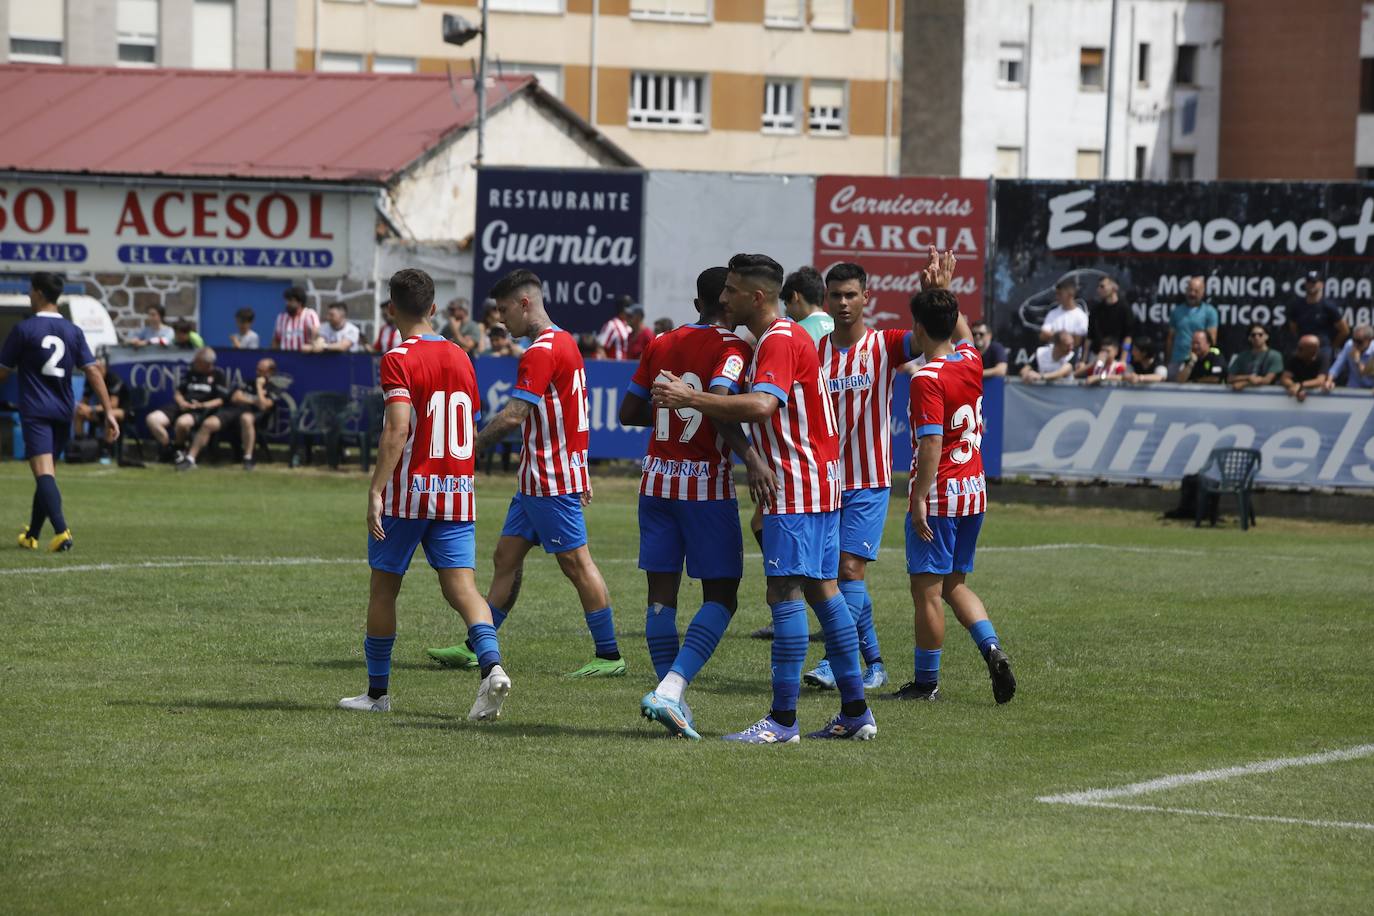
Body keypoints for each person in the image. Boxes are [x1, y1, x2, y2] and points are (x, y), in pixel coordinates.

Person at [653, 253, 875, 743]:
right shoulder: (790, 335)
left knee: (785, 593)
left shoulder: (777, 339)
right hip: (820, 479)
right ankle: (857, 712)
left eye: (731, 290)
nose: (724, 298)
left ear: (756, 296)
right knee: (823, 590)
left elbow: (762, 404)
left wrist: (690, 399)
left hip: (794, 483)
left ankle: (782, 721)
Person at [426, 270, 624, 679]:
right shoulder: (563, 340)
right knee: (506, 557)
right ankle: (476, 645)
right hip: (538, 477)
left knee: (576, 563)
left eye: (503, 310)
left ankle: (609, 655)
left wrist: (465, 449)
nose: (499, 320)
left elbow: (515, 415)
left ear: (524, 304)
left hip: (551, 479)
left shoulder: (541, 350)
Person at [340, 268, 511, 719]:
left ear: (392, 309)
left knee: (384, 590)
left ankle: (378, 694)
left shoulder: (398, 357)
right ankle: (491, 666)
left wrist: (376, 489)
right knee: (464, 588)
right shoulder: (462, 356)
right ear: (434, 309)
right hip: (456, 489)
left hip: (409, 491)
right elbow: (467, 425)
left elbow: (397, 430)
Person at [624, 267, 767, 739]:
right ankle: (671, 688)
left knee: (660, 597)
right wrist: (750, 457)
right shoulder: (734, 348)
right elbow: (722, 401)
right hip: (704, 484)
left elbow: (628, 412)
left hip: (656, 481)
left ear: (695, 303)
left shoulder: (661, 342)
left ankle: (672, 698)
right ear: (728, 302)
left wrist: (672, 402)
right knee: (723, 596)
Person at [890, 251, 1015, 706]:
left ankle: (926, 684)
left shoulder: (927, 379)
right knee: (954, 584)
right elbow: (958, 329)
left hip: (940, 495)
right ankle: (992, 648)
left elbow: (929, 444)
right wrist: (941, 292)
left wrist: (918, 496)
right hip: (973, 491)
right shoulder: (971, 361)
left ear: (918, 329)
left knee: (926, 591)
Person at [799, 260, 919, 694]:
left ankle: (835, 659)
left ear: (867, 298)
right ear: (826, 302)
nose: (844, 303)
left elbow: (927, 338)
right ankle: (875, 662)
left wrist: (931, 294)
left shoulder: (885, 345)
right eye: (837, 296)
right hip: (826, 480)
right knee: (832, 577)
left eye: (852, 295)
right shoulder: (814, 353)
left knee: (849, 570)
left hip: (869, 479)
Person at [1, 272, 119, 553]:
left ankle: (61, 531)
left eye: (30, 291)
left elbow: (2, 372)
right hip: (64, 410)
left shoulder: (24, 330)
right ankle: (32, 534)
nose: (29, 296)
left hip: (37, 411)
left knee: (43, 474)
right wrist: (109, 412)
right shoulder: (73, 331)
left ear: (40, 293)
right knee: (47, 474)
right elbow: (92, 370)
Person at [146, 347, 228, 464]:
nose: (194, 362)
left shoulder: (218, 375)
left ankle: (179, 448)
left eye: (197, 361)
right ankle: (170, 448)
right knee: (152, 419)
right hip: (181, 405)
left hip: (200, 410)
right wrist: (181, 402)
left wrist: (201, 405)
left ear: (206, 363)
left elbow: (220, 400)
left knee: (182, 423)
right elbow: (178, 392)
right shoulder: (191, 373)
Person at [219, 357, 279, 470]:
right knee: (231, 417)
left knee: (246, 418)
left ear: (270, 372)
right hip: (239, 412)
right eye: (257, 369)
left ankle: (248, 457)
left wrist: (259, 387)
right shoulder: (248, 382)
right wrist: (254, 400)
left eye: (261, 371)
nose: (258, 373)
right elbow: (235, 397)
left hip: (260, 417)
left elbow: (263, 406)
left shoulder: (273, 388)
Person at [1287, 271, 1348, 363]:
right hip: (1303, 348)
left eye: (1314, 282)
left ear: (1321, 285)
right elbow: (1293, 328)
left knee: (1322, 374)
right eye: (1309, 282)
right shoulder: (1296, 306)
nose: (1311, 285)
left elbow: (1344, 330)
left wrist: (1332, 347)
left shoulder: (1328, 306)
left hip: (1322, 349)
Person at [73, 355, 128, 452]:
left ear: (104, 368)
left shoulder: (114, 379)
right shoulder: (90, 379)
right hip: (100, 411)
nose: (96, 371)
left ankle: (106, 450)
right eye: (94, 368)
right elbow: (84, 401)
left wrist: (91, 409)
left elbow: (113, 405)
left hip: (121, 411)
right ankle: (80, 447)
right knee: (79, 413)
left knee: (111, 415)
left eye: (99, 368)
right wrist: (81, 407)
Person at [1165, 276, 1218, 376]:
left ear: (1203, 292)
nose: (1192, 294)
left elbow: (1212, 340)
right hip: (1177, 361)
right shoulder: (1177, 311)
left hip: (1197, 362)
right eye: (1190, 290)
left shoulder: (1210, 312)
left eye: (1196, 291)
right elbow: (1170, 339)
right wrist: (1168, 362)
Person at [781, 265, 833, 343]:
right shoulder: (840, 328)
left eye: (786, 304)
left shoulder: (794, 332)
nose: (787, 311)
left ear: (795, 297)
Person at [1228, 324, 1284, 390]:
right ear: (1249, 338)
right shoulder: (1243, 356)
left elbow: (1267, 380)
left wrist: (1244, 384)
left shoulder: (1275, 355)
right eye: (1253, 335)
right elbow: (1230, 378)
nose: (1256, 337)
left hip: (1268, 395)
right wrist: (1248, 377)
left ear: (1266, 336)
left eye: (1260, 334)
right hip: (1244, 397)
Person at [1040, 277, 1089, 350]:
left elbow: (1077, 341)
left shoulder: (1081, 316)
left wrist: (1054, 336)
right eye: (1056, 294)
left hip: (1072, 356)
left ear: (1070, 294)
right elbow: (1043, 335)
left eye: (1060, 294)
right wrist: (1064, 337)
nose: (1057, 297)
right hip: (1052, 354)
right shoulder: (1052, 313)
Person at [1088, 276, 1133, 355]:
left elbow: (1128, 335)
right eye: (1098, 287)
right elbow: (1089, 336)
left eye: (1102, 286)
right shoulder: (1096, 309)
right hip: (1096, 355)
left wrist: (1123, 359)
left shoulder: (1125, 309)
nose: (1098, 290)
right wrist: (1084, 360)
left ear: (1114, 288)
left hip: (1116, 357)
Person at [1325, 324, 1374, 391]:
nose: (1355, 344)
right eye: (1354, 340)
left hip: (1371, 390)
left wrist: (1357, 361)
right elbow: (1338, 365)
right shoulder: (1349, 345)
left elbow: (1366, 374)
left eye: (1359, 341)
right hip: (1353, 389)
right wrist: (1329, 380)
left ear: (1370, 340)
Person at [1281, 334, 1329, 402]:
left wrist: (1301, 385)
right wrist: (1295, 387)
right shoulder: (1293, 357)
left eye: (1301, 349)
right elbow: (1285, 378)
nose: (1297, 350)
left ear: (1313, 351)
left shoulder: (1323, 358)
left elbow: (1320, 381)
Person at [272, 286, 318, 352]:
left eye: (290, 300)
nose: (287, 303)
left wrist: (312, 346)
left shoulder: (309, 315)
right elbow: (276, 340)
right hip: (285, 357)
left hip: (305, 358)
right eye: (286, 300)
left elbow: (317, 337)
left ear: (300, 302)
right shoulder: (281, 318)